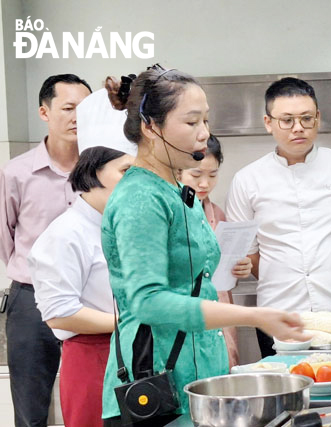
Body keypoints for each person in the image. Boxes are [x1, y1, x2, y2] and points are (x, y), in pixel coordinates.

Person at [101, 66, 307, 425]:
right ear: (151, 126)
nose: (204, 134)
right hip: (155, 385)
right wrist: (253, 316)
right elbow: (147, 301)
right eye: (192, 122)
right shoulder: (140, 198)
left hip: (196, 379)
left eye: (206, 121)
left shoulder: (179, 193)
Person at [225, 77, 331, 357]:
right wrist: (280, 277)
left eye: (306, 118)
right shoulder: (247, 179)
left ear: (318, 119)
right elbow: (246, 249)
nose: (298, 127)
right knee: (286, 392)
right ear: (268, 122)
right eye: (286, 120)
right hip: (276, 313)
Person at [27, 87, 135, 427]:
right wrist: (130, 320)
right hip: (93, 359)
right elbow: (60, 313)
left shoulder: (128, 225)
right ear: (93, 170)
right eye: (125, 172)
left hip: (138, 352)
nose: (135, 184)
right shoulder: (65, 234)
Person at [0, 73, 91, 426]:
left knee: (87, 404)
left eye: (84, 109)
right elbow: (6, 238)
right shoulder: (17, 173)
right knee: (31, 409)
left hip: (90, 303)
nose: (76, 118)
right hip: (31, 302)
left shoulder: (103, 170)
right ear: (44, 112)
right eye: (68, 108)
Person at [179, 133, 243, 368]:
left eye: (213, 175)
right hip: (188, 313)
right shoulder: (169, 212)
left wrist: (239, 267)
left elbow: (224, 272)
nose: (204, 183)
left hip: (220, 310)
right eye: (196, 175)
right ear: (178, 171)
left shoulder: (218, 214)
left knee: (224, 372)